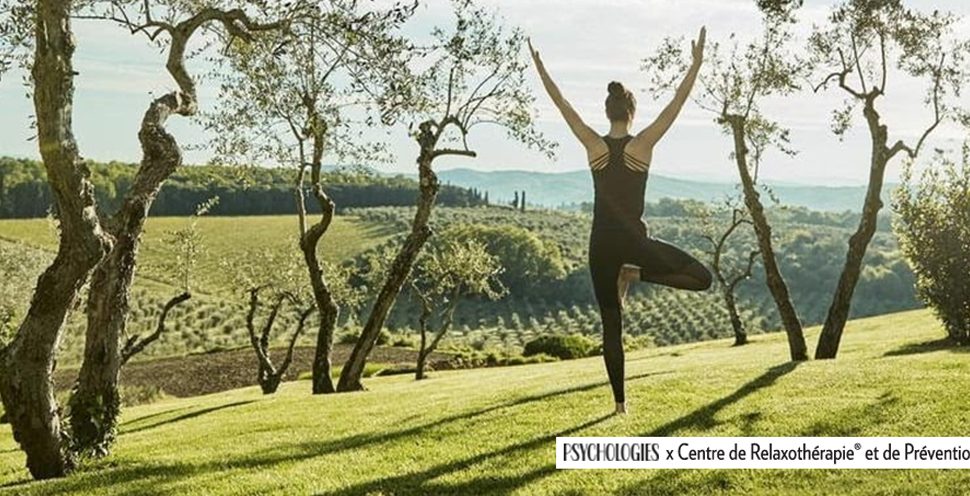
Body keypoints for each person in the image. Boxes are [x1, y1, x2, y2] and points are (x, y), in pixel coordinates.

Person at [529, 28, 713, 415]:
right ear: (631, 113)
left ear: (607, 111)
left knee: (611, 327)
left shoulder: (593, 147)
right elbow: (675, 106)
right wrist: (695, 64)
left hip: (600, 246)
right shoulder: (641, 146)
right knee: (702, 278)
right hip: (634, 245)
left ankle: (619, 406)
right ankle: (636, 275)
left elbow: (561, 104)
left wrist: (541, 68)